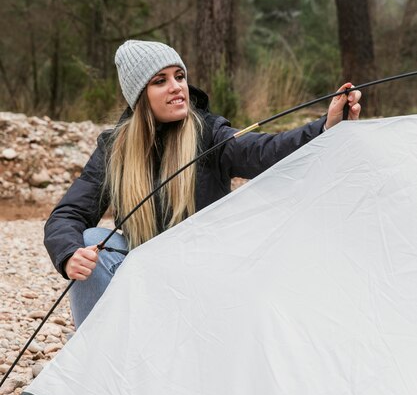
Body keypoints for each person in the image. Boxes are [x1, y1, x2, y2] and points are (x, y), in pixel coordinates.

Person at [44, 40, 361, 327]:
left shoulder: (210, 133)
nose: (176, 87)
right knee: (90, 241)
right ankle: (95, 363)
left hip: (207, 280)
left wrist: (326, 126)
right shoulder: (114, 149)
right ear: (139, 95)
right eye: (160, 81)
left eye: (179, 76)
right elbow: (67, 215)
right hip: (147, 277)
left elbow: (265, 151)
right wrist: (70, 253)